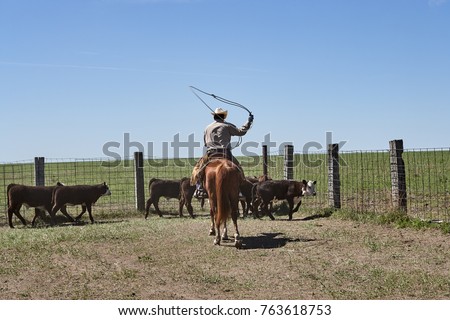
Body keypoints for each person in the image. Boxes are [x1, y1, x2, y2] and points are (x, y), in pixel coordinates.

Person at [191, 107, 254, 196]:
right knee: (239, 170)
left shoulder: (207, 127)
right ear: (224, 116)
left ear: (214, 117)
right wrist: (249, 122)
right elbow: (241, 132)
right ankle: (239, 189)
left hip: (211, 153)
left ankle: (199, 187)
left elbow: (205, 143)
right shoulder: (227, 126)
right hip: (225, 152)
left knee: (198, 169)